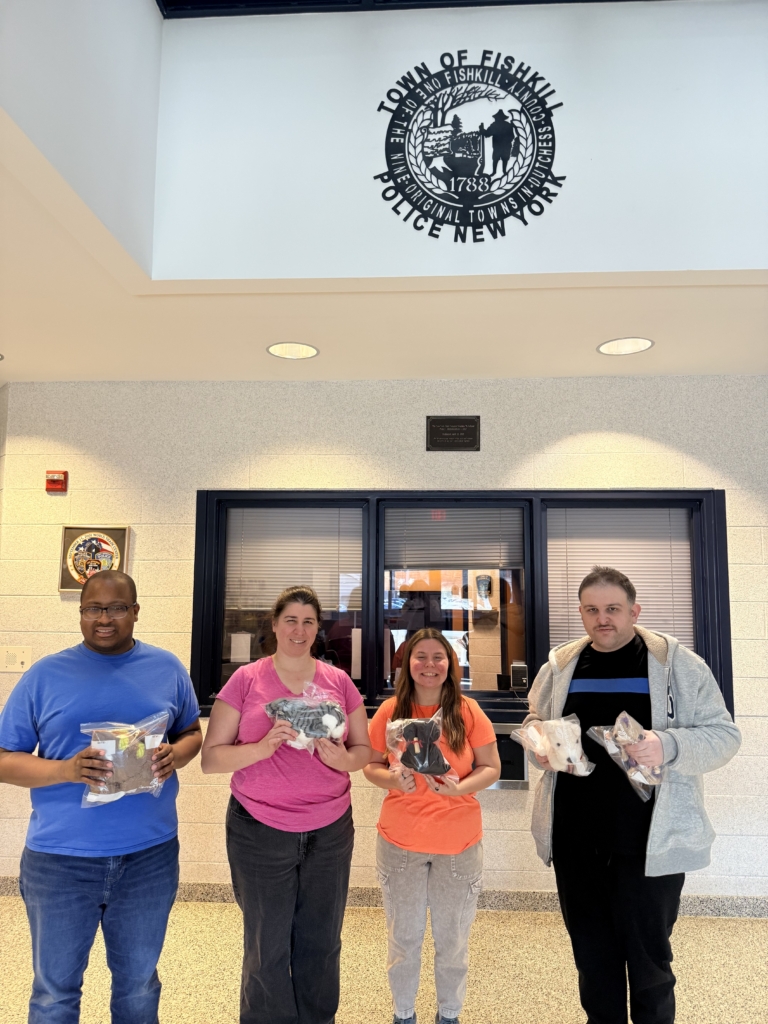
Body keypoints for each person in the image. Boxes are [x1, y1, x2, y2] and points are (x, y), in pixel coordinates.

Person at [524, 566, 741, 1024]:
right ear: (582, 614)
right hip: (575, 842)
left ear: (634, 611)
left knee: (650, 969)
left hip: (649, 846)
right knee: (593, 965)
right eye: (592, 610)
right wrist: (537, 745)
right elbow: (534, 720)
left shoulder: (678, 665)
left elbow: (724, 736)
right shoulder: (560, 666)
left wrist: (669, 744)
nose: (603, 619)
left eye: (613, 609)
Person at [0, 570, 202, 1024]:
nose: (103, 619)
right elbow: (3, 759)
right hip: (59, 863)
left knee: (138, 987)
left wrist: (177, 755)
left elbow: (192, 732)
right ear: (81, 613)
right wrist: (66, 770)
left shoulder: (167, 668)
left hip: (149, 859)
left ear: (134, 611)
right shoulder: (44, 676)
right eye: (93, 608)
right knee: (54, 994)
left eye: (115, 608)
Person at [201, 585, 371, 1024]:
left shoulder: (338, 683)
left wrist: (342, 758)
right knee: (266, 942)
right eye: (291, 620)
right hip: (259, 829)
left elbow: (362, 751)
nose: (299, 629)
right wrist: (260, 748)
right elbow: (211, 759)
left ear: (318, 629)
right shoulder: (247, 680)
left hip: (330, 830)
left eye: (309, 621)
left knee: (322, 939)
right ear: (275, 625)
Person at [365, 628, 501, 1024]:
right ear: (406, 663)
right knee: (403, 940)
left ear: (451, 663)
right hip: (400, 843)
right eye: (419, 656)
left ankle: (449, 1015)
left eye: (438, 657)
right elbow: (370, 765)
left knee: (453, 942)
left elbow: (490, 767)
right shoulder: (390, 712)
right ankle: (403, 1014)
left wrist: (460, 790)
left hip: (458, 846)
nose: (429, 665)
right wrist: (391, 779)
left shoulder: (468, 711)